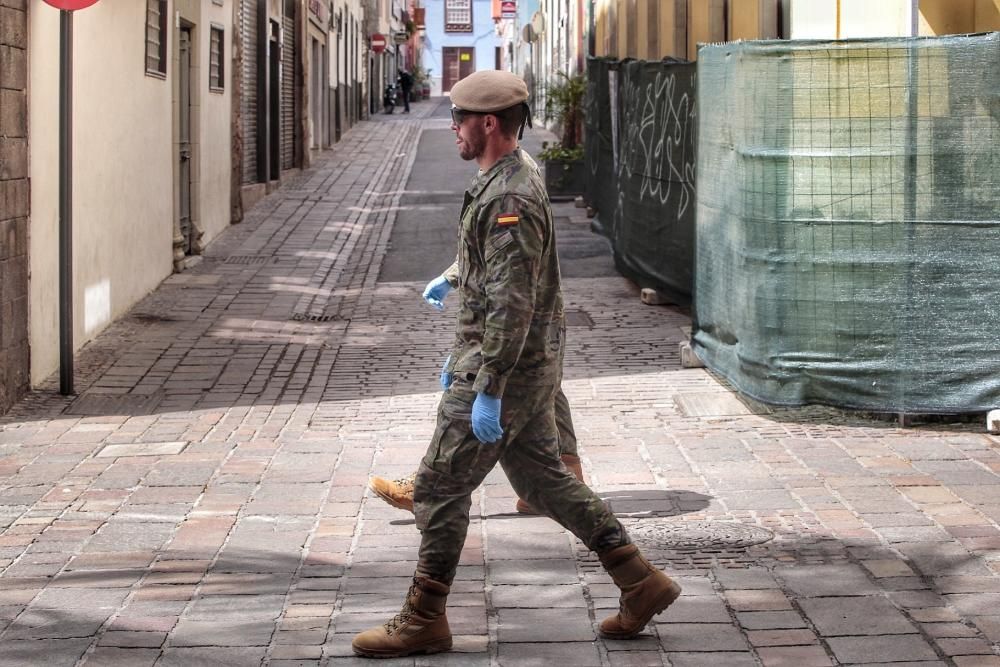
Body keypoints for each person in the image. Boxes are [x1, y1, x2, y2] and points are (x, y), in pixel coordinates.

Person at [350, 70, 681, 659]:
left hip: (504, 367)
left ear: (488, 124)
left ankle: (424, 617)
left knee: (438, 487)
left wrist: (488, 384)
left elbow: (513, 298)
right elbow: (496, 270)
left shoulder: (509, 196)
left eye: (457, 119)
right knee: (541, 481)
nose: (450, 127)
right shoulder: (503, 178)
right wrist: (454, 276)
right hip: (517, 363)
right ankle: (640, 580)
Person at [368, 260, 585, 516]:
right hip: (524, 319)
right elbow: (486, 245)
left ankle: (431, 487)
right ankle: (558, 481)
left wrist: (473, 348)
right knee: (540, 390)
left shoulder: (510, 218)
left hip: (516, 318)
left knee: (484, 392)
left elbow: (508, 256)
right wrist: (451, 277)